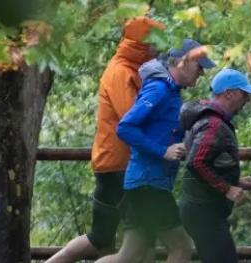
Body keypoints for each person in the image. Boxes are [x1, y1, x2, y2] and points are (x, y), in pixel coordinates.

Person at [46, 16, 164, 263]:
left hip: (113, 163)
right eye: (155, 43)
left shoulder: (130, 70)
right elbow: (131, 117)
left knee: (102, 239)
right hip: (120, 165)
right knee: (140, 239)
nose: (159, 48)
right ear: (141, 45)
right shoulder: (122, 73)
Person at [95, 39, 216, 263]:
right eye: (199, 67)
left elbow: (161, 131)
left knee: (129, 256)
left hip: (145, 184)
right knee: (182, 248)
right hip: (148, 185)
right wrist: (163, 151)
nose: (201, 73)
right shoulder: (159, 89)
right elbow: (126, 127)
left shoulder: (171, 92)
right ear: (182, 62)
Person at [178, 68, 251, 263]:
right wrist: (228, 188)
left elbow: (207, 162)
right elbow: (196, 162)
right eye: (244, 94)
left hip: (201, 209)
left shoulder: (208, 119)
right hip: (203, 212)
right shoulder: (213, 124)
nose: (247, 100)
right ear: (229, 93)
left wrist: (236, 181)